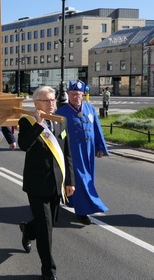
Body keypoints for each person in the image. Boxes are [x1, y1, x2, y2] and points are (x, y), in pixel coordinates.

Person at [18, 86, 75, 280]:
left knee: (48, 223)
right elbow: (24, 145)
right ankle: (48, 271)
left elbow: (66, 153)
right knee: (45, 230)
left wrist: (69, 181)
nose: (51, 104)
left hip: (56, 183)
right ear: (36, 104)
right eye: (46, 101)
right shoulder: (27, 122)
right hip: (36, 184)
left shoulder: (61, 122)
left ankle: (27, 230)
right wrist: (38, 125)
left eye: (53, 100)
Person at [56, 80, 109, 225]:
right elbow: (58, 135)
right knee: (81, 181)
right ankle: (83, 211)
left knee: (88, 179)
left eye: (78, 94)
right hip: (73, 152)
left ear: (83, 95)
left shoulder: (90, 109)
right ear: (67, 94)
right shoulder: (61, 113)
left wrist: (100, 147)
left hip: (89, 152)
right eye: (72, 94)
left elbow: (97, 128)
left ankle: (72, 201)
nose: (75, 97)